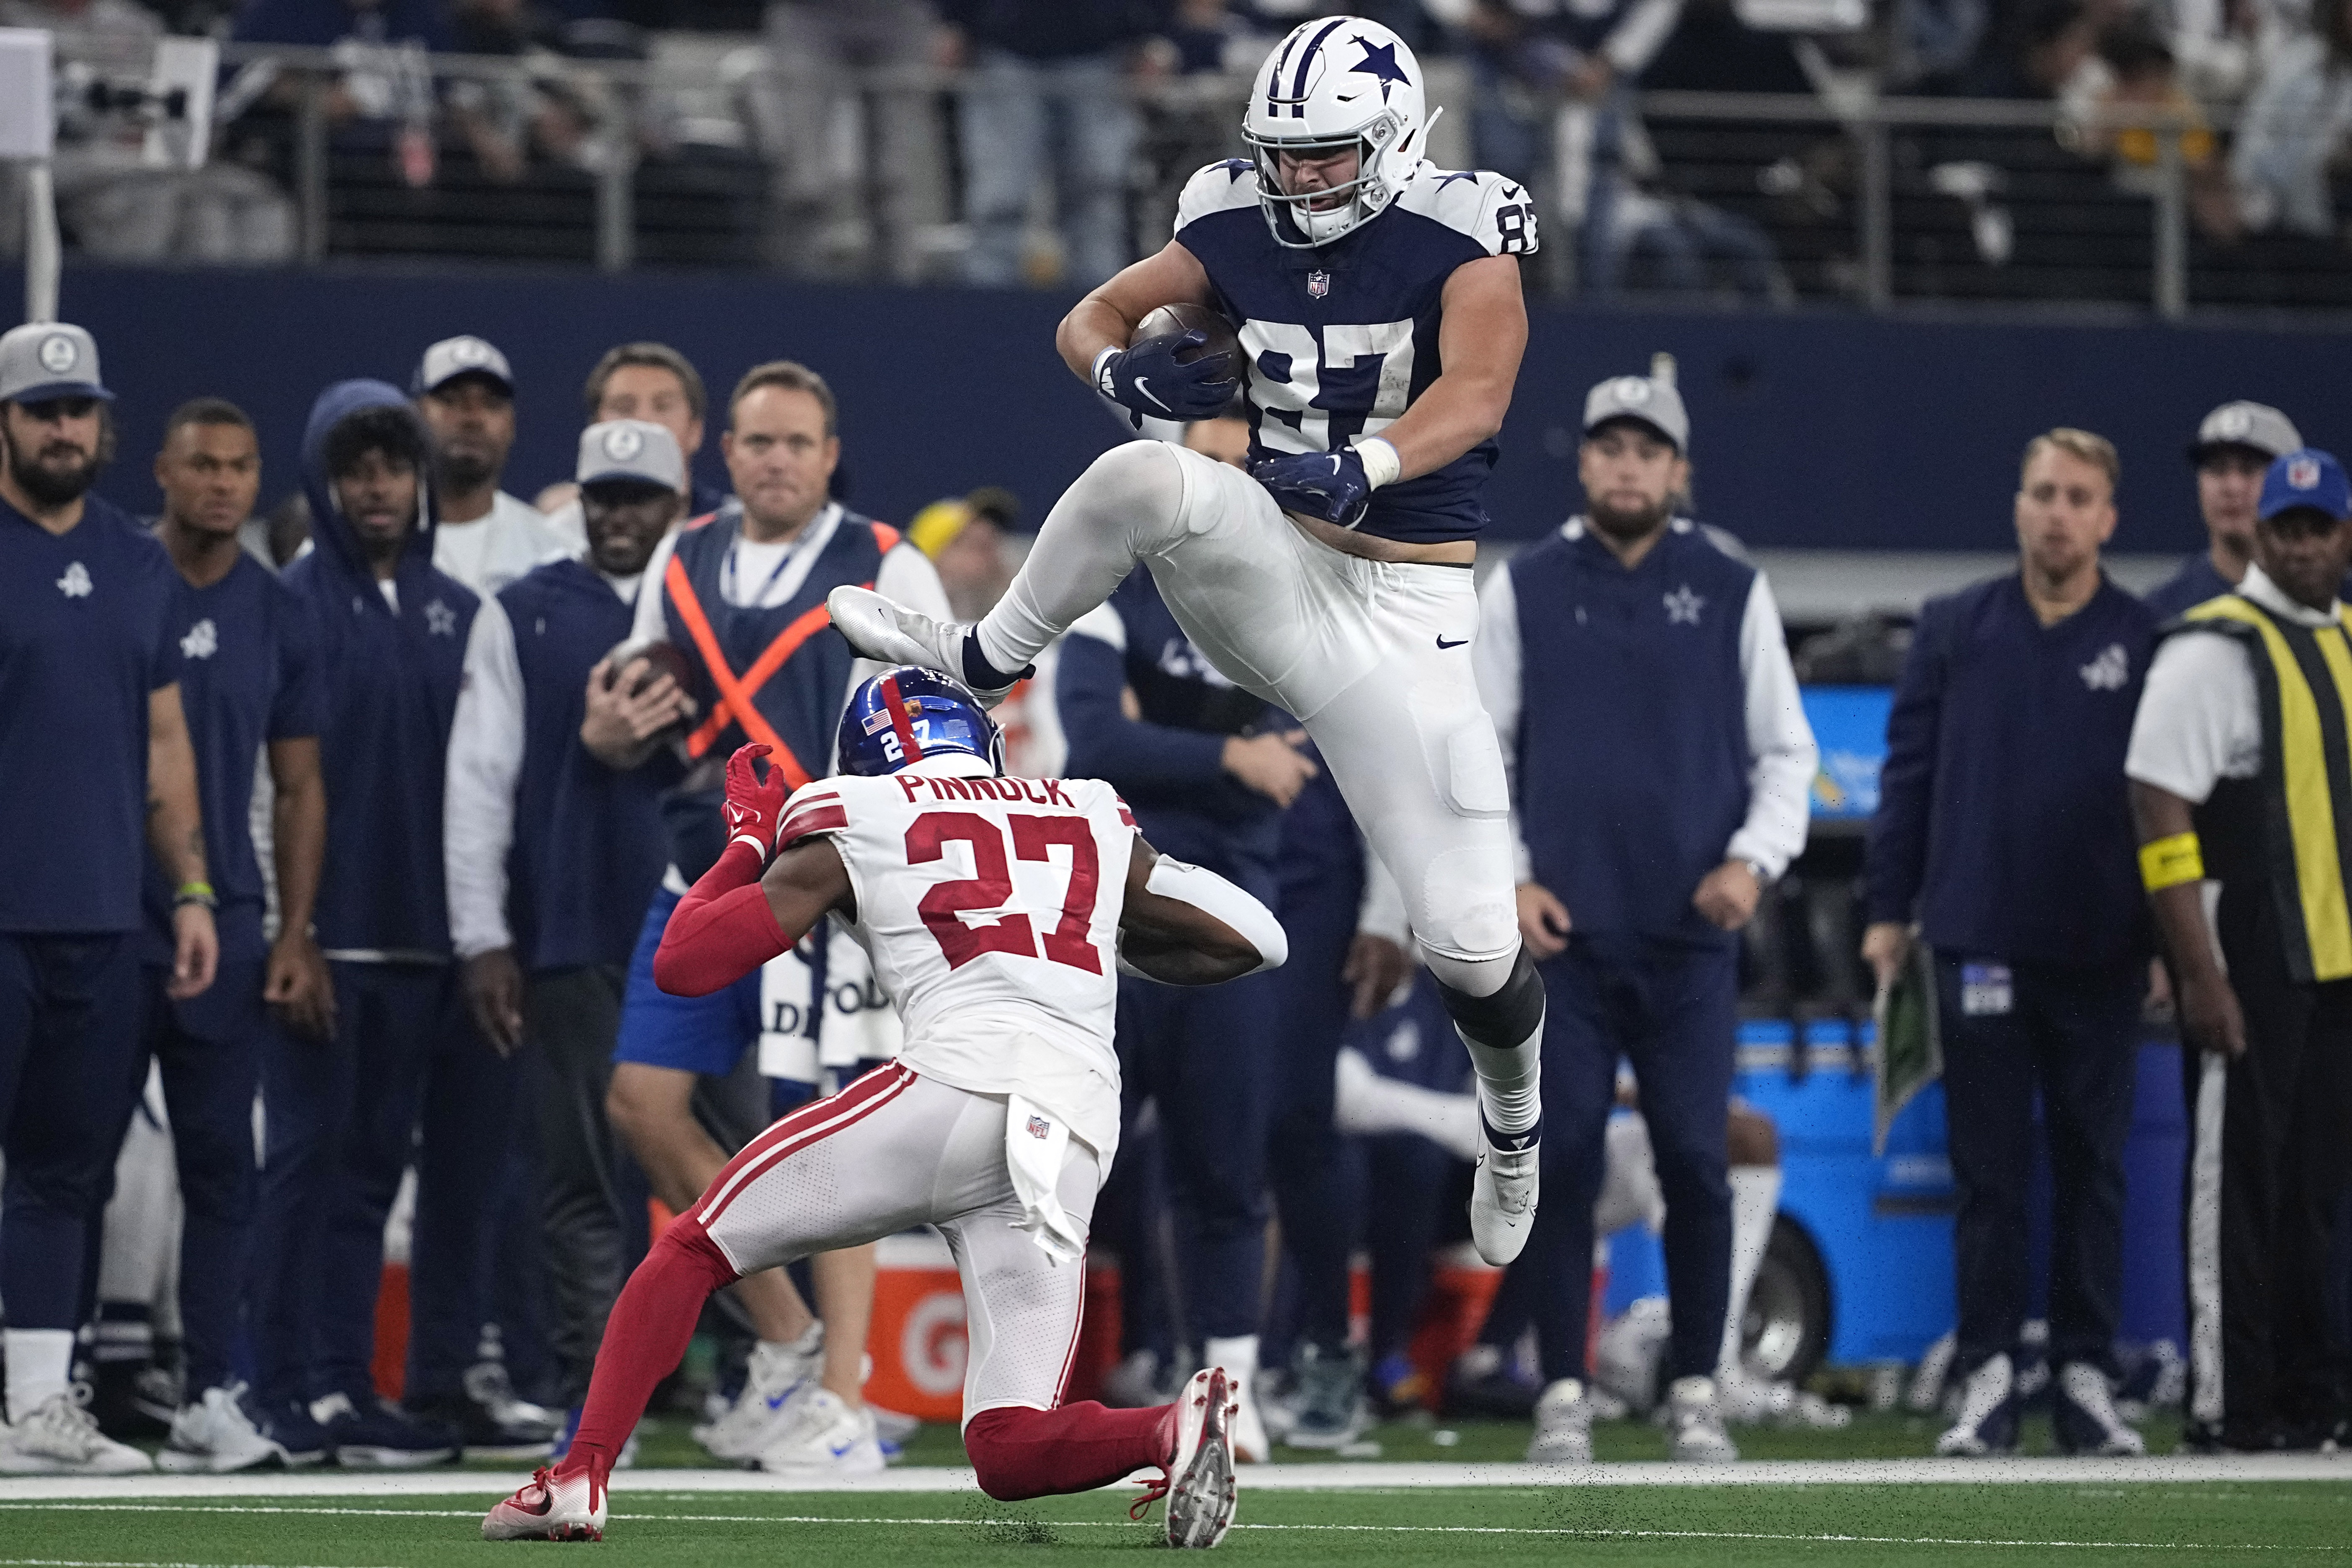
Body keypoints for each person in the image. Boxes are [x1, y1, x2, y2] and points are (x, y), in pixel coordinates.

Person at [832, 14, 1551, 1270]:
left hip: (1410, 621)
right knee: (1146, 481)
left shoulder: (1468, 221)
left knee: (1472, 946)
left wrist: (1366, 461)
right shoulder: (1225, 212)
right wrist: (1131, 381)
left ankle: (1511, 1131)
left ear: (1391, 142)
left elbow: (1478, 392)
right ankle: (985, 660)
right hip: (1279, 566)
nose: (1298, 177)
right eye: (1284, 153)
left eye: (1326, 155)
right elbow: (1090, 318)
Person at [482, 670, 1287, 1548]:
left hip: (953, 1084)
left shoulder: (859, 810)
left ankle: (576, 1479)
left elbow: (686, 963)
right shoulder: (1086, 808)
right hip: (1074, 1121)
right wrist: (1092, 944)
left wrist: (746, 847)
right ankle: (1167, 1429)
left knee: (692, 1247)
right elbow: (1256, 938)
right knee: (1006, 1449)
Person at [593, 360, 951, 1473]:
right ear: (725, 451)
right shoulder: (682, 552)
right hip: (699, 870)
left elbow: (935, 719)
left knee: (832, 1140)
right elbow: (638, 699)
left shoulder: (889, 561)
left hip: (828, 886)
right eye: (758, 442)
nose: (777, 460)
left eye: (797, 442)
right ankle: (790, 1345)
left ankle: (845, 1400)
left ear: (831, 453)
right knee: (643, 1106)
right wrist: (615, 726)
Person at [1471, 372, 1816, 1464]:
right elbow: (1480, 756)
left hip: (1685, 940)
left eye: (1647, 449)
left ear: (1679, 470)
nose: (1627, 464)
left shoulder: (1729, 585)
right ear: (1584, 462)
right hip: (1562, 943)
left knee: (1696, 1161)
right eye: (1609, 446)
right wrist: (1512, 880)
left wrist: (1753, 864)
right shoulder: (1522, 585)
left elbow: (1787, 754)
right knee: (1562, 1154)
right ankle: (1563, 1391)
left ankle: (1699, 1389)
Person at [1864, 428, 2158, 1459]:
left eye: (2079, 496)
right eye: (2042, 491)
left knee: (2096, 1165)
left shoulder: (2144, 635)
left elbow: (2166, 805)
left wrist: (2168, 934)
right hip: (1976, 936)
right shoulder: (1953, 626)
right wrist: (1884, 912)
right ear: (2018, 504)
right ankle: (1987, 1367)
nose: (2058, 511)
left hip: (2104, 944)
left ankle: (2085, 1371)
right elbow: (1905, 780)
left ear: (2107, 518)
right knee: (1987, 1171)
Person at [257, 381, 530, 1467]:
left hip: (443, 951)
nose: (376, 489)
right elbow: (261, 786)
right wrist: (294, 929)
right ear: (325, 483)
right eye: (355, 469)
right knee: (317, 1176)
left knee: (421, 1181)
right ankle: (293, 1388)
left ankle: (389, 1384)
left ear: (418, 481)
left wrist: (485, 936)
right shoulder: (286, 604)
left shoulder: (463, 614)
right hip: (329, 949)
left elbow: (487, 791)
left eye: (392, 467)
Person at [444, 421, 688, 1452]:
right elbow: (477, 780)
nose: (620, 513)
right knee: (581, 1175)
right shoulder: (523, 612)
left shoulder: (715, 607)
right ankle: (605, 1398)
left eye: (641, 495)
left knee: (727, 1162)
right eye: (605, 494)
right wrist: (482, 934)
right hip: (579, 920)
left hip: (716, 922)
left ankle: (754, 1373)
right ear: (578, 499)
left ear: (679, 504)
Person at [0, 322, 215, 1477]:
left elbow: (164, 738)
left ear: (103, 424)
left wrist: (188, 888)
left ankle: (38, 1409)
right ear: (5, 424)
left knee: (61, 1169)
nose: (61, 428)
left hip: (98, 915)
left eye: (77, 409)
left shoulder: (139, 561)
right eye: (40, 410)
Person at [1057, 563, 1320, 1460]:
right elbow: (1094, 740)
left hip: (1231, 921)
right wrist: (1228, 754)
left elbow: (1289, 760)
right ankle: (1033, 1379)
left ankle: (1231, 1393)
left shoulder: (1285, 595)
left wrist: (1161, 737)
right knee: (1073, 1160)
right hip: (1113, 916)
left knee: (1228, 1162)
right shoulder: (1109, 594)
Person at [2127, 447, 2352, 1452]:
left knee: (2314, 1190)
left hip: (2337, 962)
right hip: (2252, 951)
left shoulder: (2346, 640)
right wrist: (2199, 968)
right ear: (2258, 532)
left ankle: (2312, 1393)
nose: (2304, 543)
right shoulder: (2215, 645)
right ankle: (2230, 1402)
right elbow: (2155, 800)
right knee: (2238, 1189)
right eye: (2289, 525)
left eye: (2321, 525)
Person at [125, 399, 330, 1472]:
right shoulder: (115, 573)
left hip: (232, 920)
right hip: (103, 917)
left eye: (241, 467)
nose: (221, 483)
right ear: (161, 469)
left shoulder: (278, 607)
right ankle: (47, 1384)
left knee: (221, 1169)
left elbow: (299, 786)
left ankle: (210, 1387)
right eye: (201, 464)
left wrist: (296, 929)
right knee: (64, 1162)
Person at [941, 0, 1150, 289]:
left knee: (1097, 201)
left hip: (1101, 49)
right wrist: (955, 19)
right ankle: (984, 318)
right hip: (1005, 46)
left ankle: (1102, 321)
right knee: (1000, 199)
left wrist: (1149, 29)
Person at [412, 334, 580, 595]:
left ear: (511, 425)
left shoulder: (557, 554)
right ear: (415, 416)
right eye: (452, 400)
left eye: (491, 404)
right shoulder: (379, 549)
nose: (473, 418)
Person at [2143, 400, 2305, 619]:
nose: (2232, 487)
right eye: (2217, 469)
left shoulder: (2337, 602)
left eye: (2250, 470)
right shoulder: (2161, 612)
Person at [536, 343, 727, 524]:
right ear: (595, 428)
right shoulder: (560, 534)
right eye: (624, 408)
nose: (643, 420)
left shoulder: (734, 529)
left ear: (695, 431)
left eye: (663, 407)